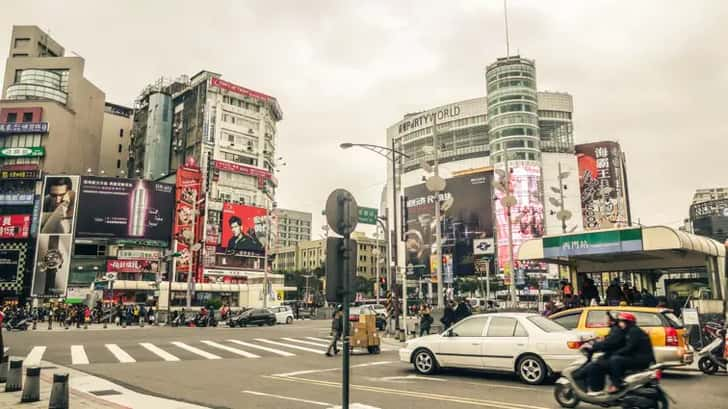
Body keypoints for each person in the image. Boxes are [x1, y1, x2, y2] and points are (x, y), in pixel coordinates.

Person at [607, 312, 655, 393]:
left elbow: (629, 347)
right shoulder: (631, 330)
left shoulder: (634, 331)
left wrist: (616, 353)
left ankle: (617, 385)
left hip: (641, 359)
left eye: (621, 322)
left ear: (627, 322)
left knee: (615, 360)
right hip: (640, 357)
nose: (620, 324)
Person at [578, 313, 626, 394]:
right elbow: (609, 339)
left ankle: (596, 390)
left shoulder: (616, 330)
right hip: (616, 355)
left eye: (607, 319)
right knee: (598, 360)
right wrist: (599, 340)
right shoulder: (616, 329)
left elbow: (609, 343)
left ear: (612, 320)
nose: (606, 321)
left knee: (594, 366)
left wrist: (595, 346)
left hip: (615, 356)